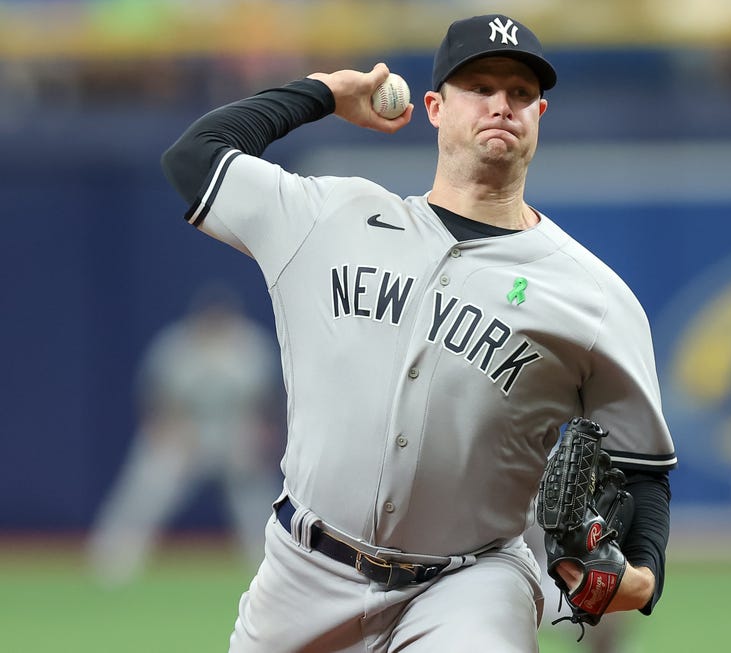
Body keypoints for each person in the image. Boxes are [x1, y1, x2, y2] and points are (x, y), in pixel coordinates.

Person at [160, 14, 676, 652]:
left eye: (520, 93)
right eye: (479, 87)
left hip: (471, 583)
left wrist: (642, 580)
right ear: (434, 107)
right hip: (304, 571)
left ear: (540, 113)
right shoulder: (330, 219)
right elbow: (194, 159)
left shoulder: (594, 299)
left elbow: (644, 470)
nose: (501, 105)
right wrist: (324, 91)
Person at [87, 283, 284, 586]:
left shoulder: (252, 347)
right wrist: (169, 431)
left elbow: (268, 403)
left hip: (233, 435)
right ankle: (113, 558)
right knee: (151, 480)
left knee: (257, 498)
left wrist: (259, 435)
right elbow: (157, 400)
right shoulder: (177, 347)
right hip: (188, 434)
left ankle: (270, 566)